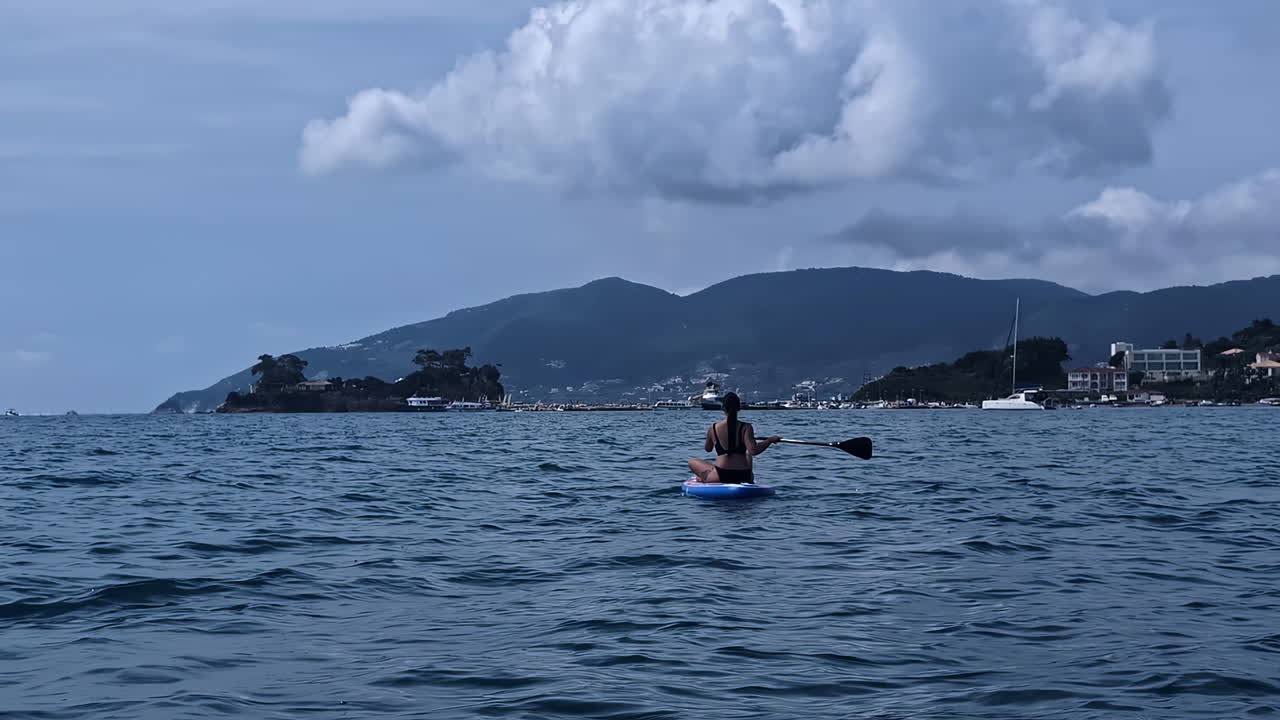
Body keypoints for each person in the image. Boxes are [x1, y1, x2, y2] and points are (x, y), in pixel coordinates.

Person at [687, 392, 780, 484]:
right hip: (744, 475)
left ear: (723, 408)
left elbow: (708, 449)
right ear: (739, 408)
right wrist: (770, 440)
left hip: (722, 475)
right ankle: (749, 479)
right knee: (747, 454)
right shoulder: (746, 427)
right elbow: (753, 451)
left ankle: (705, 477)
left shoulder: (713, 428)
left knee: (692, 461)